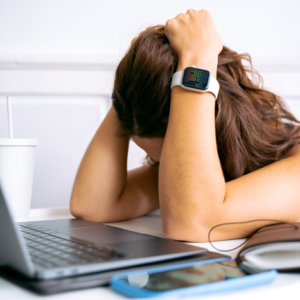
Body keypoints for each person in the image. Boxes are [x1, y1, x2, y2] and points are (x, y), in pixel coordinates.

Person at [70, 10, 300, 243]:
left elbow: (194, 223)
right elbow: (93, 205)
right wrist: (135, 81)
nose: (163, 164)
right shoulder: (208, 169)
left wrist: (197, 60)